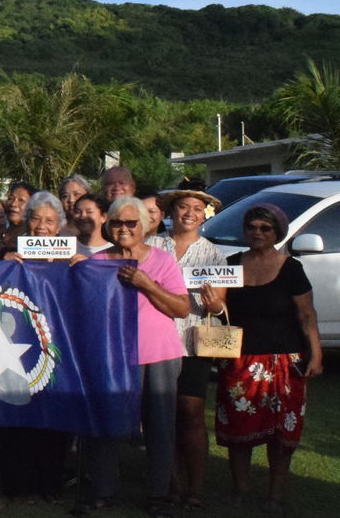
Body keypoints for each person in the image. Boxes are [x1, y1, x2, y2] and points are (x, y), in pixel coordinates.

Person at [80, 196, 190, 516]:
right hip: (113, 356)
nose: (124, 228)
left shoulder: (162, 261)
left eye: (132, 223)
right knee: (107, 424)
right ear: (108, 225)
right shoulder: (97, 263)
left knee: (159, 426)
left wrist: (147, 284)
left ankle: (158, 494)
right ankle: (103, 490)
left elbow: (181, 308)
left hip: (158, 354)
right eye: (117, 222)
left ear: (145, 226)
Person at [218, 204, 322, 513]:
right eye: (252, 227)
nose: (258, 233)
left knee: (281, 435)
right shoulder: (231, 265)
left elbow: (306, 315)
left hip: (284, 363)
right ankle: (240, 490)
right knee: (238, 432)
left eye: (265, 228)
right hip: (240, 360)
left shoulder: (291, 269)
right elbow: (218, 311)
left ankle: (275, 495)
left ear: (277, 232)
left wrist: (315, 353)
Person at [0, 192, 79, 503]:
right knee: (18, 418)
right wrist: (4, 263)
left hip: (57, 347)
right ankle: (17, 485)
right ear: (26, 222)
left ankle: (50, 483)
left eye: (49, 220)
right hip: (16, 346)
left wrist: (83, 266)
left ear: (59, 225)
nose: (42, 226)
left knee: (54, 417)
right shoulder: (11, 254)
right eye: (36, 219)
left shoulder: (70, 258)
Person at [148, 189, 226, 509]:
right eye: (183, 207)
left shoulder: (213, 254)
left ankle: (196, 486)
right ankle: (170, 482)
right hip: (156, 341)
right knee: (161, 416)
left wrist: (216, 304)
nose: (189, 213)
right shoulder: (153, 246)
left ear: (204, 214)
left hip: (194, 342)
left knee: (191, 414)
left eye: (197, 208)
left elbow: (222, 305)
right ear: (172, 211)